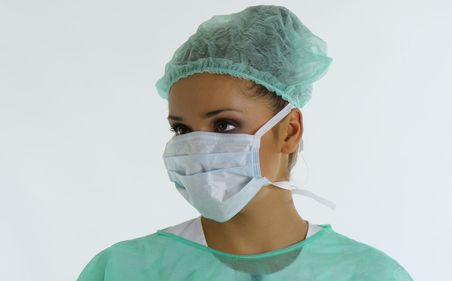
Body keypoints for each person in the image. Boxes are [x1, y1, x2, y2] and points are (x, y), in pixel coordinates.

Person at [76, 5, 414, 281]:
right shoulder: (125, 270)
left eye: (224, 125)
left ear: (289, 131)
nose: (197, 148)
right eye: (181, 130)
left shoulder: (367, 274)